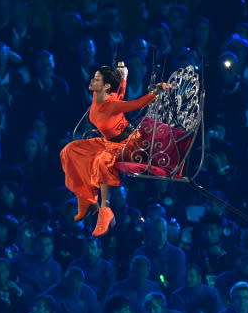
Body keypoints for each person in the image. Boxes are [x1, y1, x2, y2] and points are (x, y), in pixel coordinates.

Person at [60, 65, 170, 237]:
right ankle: (85, 199)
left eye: (97, 79)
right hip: (109, 142)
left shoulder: (112, 105)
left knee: (103, 161)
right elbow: (120, 93)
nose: (92, 80)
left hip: (128, 143)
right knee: (70, 150)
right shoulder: (99, 99)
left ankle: (105, 210)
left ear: (105, 86)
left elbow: (136, 104)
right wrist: (124, 76)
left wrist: (155, 92)